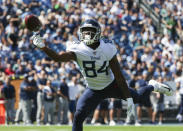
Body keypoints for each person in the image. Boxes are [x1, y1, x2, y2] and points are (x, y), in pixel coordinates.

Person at [32, 19, 173, 131]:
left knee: (137, 98)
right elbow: (58, 58)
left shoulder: (106, 47)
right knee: (79, 115)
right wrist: (43, 47)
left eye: (90, 31)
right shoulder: (77, 48)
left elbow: (119, 75)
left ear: (98, 33)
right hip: (93, 89)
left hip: (112, 85)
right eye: (85, 31)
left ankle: (152, 85)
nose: (87, 34)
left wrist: (129, 99)